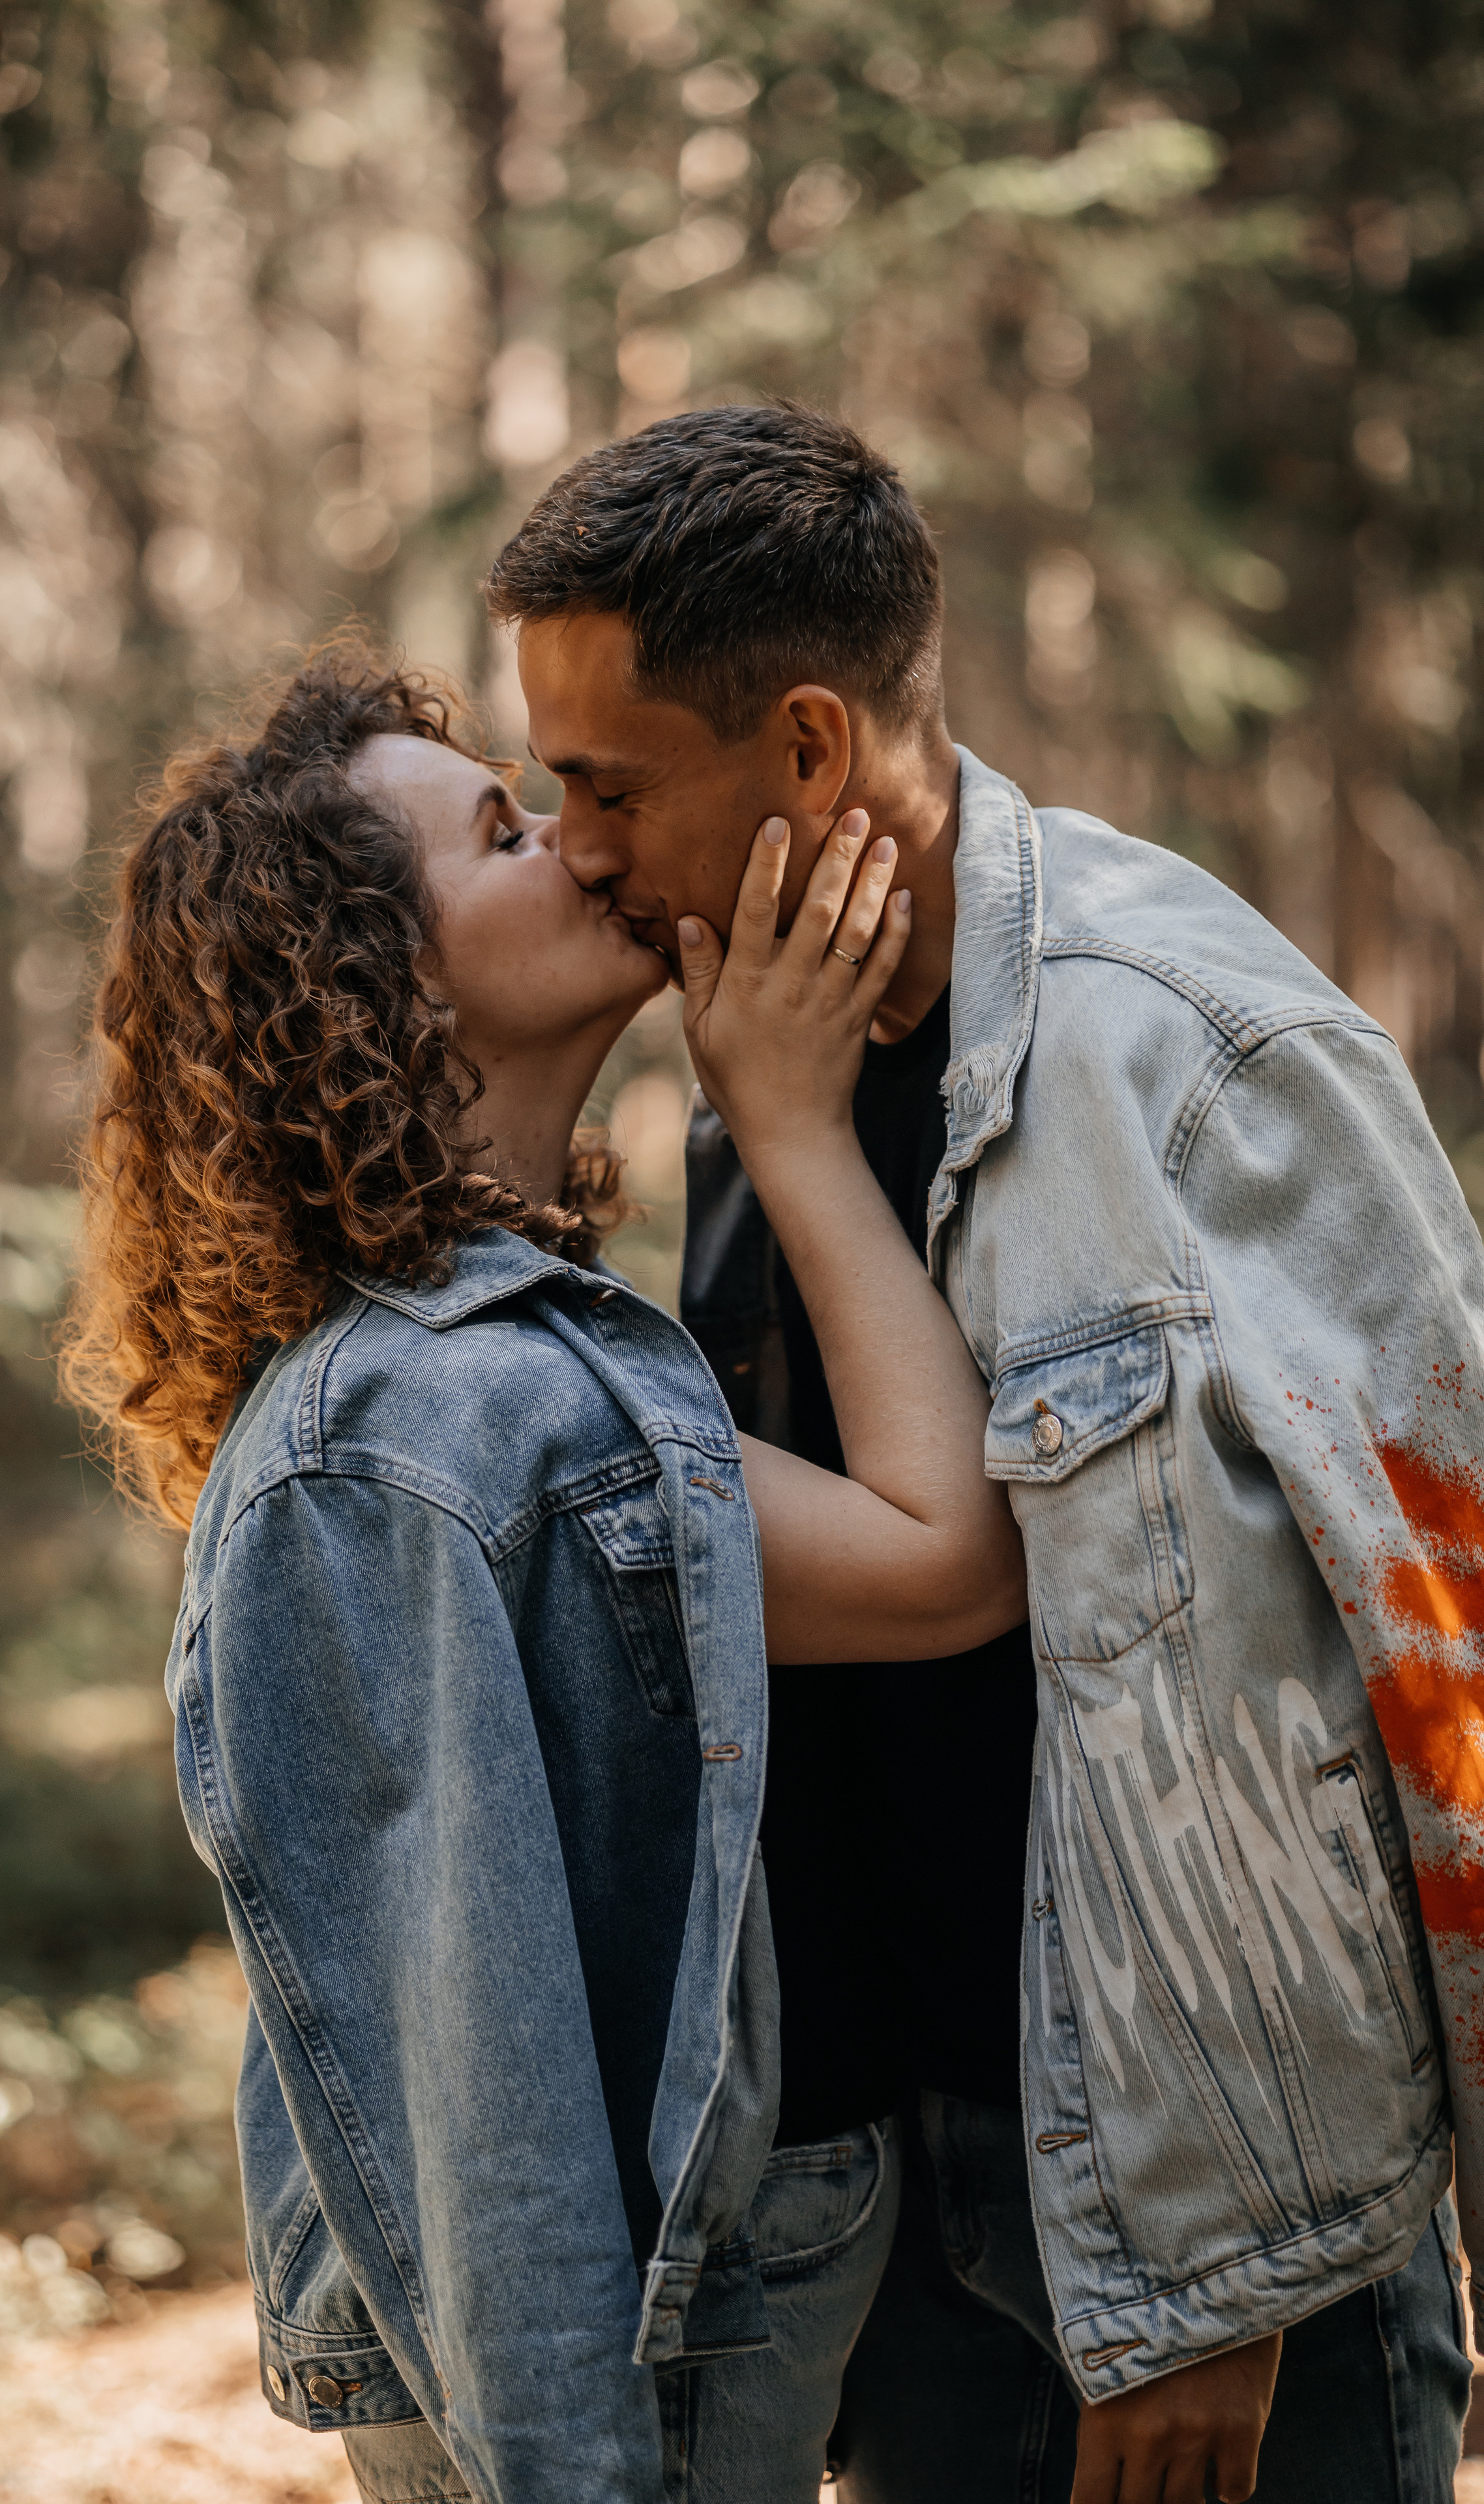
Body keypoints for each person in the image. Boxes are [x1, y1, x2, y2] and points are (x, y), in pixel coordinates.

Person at [485, 400, 1483, 2503]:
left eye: (607, 784)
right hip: (906, 2241)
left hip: (1227, 2247)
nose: (574, 844)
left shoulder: (1211, 1058)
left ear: (815, 752)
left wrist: (1220, 2276)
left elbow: (1449, 1673)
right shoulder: (767, 1048)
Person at [61, 643, 1028, 2504]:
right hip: (599, 2412)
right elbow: (478, 2104)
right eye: (508, 833)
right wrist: (803, 1127)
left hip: (694, 2353)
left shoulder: (510, 1370)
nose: (587, 849)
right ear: (377, 990)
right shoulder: (410, 1439)